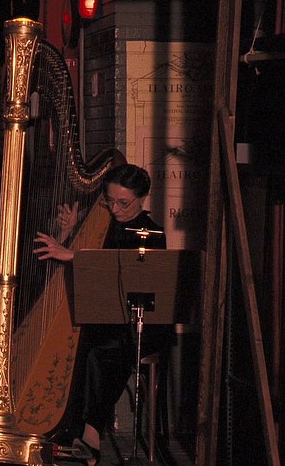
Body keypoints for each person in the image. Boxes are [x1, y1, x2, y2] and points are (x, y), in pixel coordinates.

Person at [33, 162, 169, 466]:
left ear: (141, 199)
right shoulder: (102, 222)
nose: (115, 209)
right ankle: (63, 429)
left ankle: (91, 436)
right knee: (80, 345)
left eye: (124, 203)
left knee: (100, 351)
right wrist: (69, 231)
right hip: (102, 318)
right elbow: (72, 268)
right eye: (110, 201)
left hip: (139, 323)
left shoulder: (150, 233)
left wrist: (72, 254)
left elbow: (119, 269)